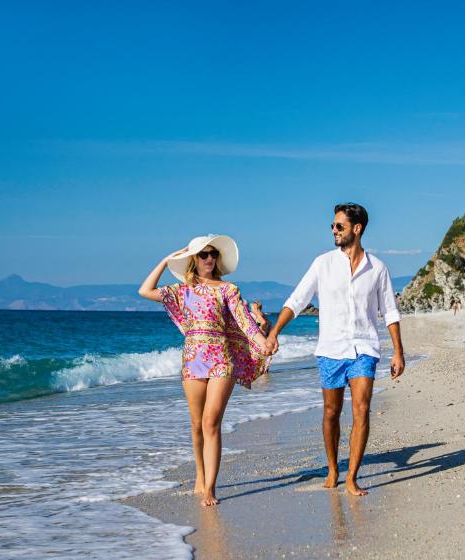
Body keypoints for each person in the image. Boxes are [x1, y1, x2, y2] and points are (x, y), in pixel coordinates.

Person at [263, 203, 405, 497]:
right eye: (332, 226)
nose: (333, 231)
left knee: (362, 409)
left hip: (364, 347)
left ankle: (352, 477)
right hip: (330, 348)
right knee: (331, 412)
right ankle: (332, 467)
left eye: (339, 226)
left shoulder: (377, 268)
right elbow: (297, 300)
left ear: (357, 228)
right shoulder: (322, 263)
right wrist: (274, 331)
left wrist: (398, 351)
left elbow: (390, 312)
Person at [138, 235, 270, 506]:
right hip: (193, 359)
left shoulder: (228, 289)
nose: (209, 259)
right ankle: (200, 473)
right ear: (193, 260)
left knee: (211, 422)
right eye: (203, 255)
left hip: (221, 358)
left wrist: (264, 341)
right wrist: (167, 260)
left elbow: (245, 323)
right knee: (197, 424)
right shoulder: (181, 291)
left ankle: (210, 486)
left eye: (213, 254)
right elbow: (145, 290)